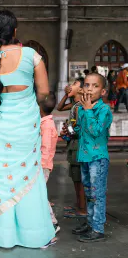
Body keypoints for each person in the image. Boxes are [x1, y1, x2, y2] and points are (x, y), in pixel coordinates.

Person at [0, 10, 56, 249]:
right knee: (30, 177)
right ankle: (33, 234)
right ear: (15, 31)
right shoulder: (31, 55)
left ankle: (4, 236)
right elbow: (44, 93)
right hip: (25, 124)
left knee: (2, 180)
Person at [68, 73, 113, 243]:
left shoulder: (104, 110)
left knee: (97, 193)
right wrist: (70, 131)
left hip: (98, 159)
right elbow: (81, 131)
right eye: (86, 85)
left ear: (103, 91)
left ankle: (98, 229)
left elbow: (95, 131)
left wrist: (87, 111)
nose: (89, 89)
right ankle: (90, 223)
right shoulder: (82, 108)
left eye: (95, 86)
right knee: (88, 193)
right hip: (85, 157)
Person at [57, 80, 87, 219]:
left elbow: (78, 129)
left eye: (74, 83)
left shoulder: (80, 106)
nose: (70, 85)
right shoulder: (75, 105)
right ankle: (79, 204)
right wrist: (66, 94)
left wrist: (67, 131)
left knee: (79, 178)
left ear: (81, 89)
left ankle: (82, 209)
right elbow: (60, 107)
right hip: (73, 145)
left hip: (77, 147)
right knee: (75, 177)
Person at [39, 91, 60, 234]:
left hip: (43, 166)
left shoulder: (47, 125)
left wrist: (40, 166)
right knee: (39, 194)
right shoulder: (46, 123)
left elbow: (45, 148)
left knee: (40, 194)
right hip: (43, 165)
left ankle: (53, 223)